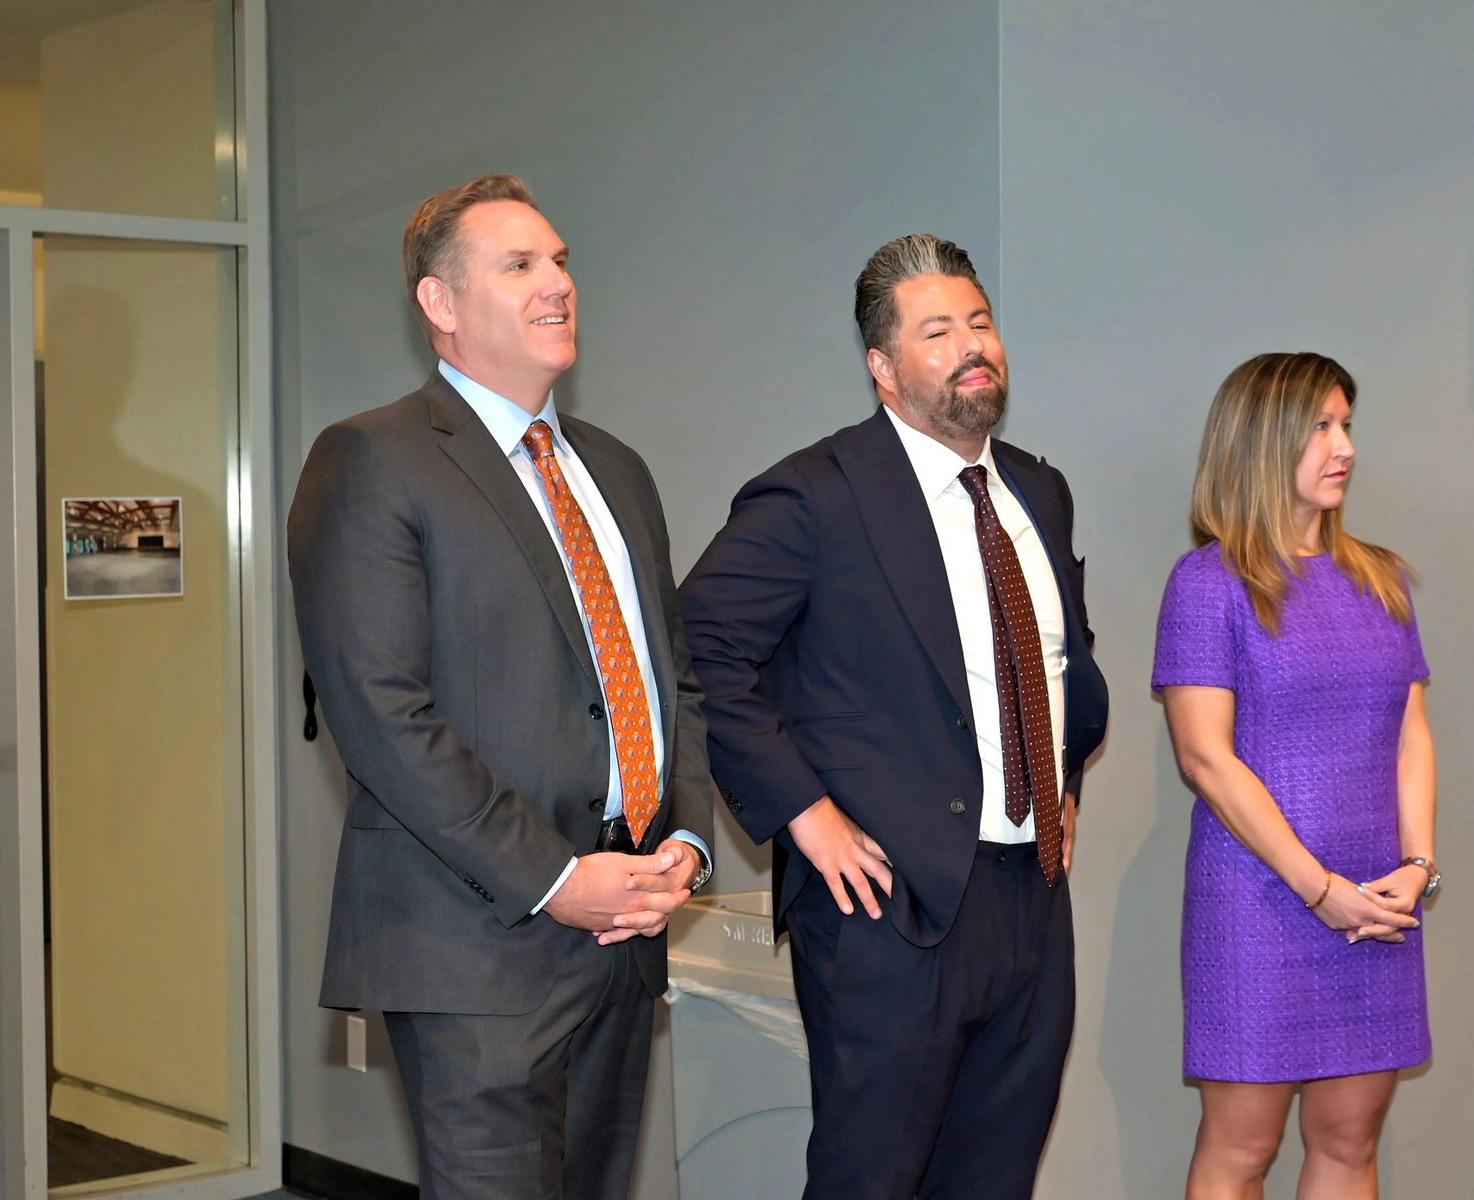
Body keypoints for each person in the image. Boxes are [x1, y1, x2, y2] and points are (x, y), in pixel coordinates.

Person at [287, 173, 715, 1200]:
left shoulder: (616, 468)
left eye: (559, 260)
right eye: (519, 264)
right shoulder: (372, 458)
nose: (556, 282)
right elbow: (383, 715)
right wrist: (558, 879)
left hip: (625, 933)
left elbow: (677, 680)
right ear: (440, 302)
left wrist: (684, 841)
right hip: (474, 945)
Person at [680, 234, 1109, 1199]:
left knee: (995, 1177)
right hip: (887, 906)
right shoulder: (815, 495)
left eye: (980, 322)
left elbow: (1052, 664)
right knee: (870, 1181)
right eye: (937, 331)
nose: (972, 346)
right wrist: (804, 814)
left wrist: (1064, 781)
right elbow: (700, 648)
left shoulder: (1039, 491)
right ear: (882, 367)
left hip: (1033, 899)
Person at [1151, 352, 1437, 1198]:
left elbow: (1411, 738)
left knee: (1351, 1140)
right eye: (1319, 426)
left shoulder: (1381, 579)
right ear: (1261, 440)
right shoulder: (1208, 584)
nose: (1344, 445)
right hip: (1257, 900)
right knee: (1241, 1149)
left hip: (1377, 903)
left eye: (1346, 424)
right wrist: (1317, 888)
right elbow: (1206, 757)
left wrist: (1418, 866)